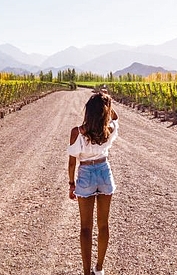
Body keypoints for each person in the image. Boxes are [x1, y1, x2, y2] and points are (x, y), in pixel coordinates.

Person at [67, 92, 119, 275]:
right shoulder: (109, 129)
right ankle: (99, 268)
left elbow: (72, 163)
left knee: (85, 227)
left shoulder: (77, 132)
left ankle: (87, 272)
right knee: (103, 224)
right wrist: (107, 110)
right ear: (105, 112)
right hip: (104, 171)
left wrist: (71, 184)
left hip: (86, 173)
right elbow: (115, 118)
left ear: (88, 112)